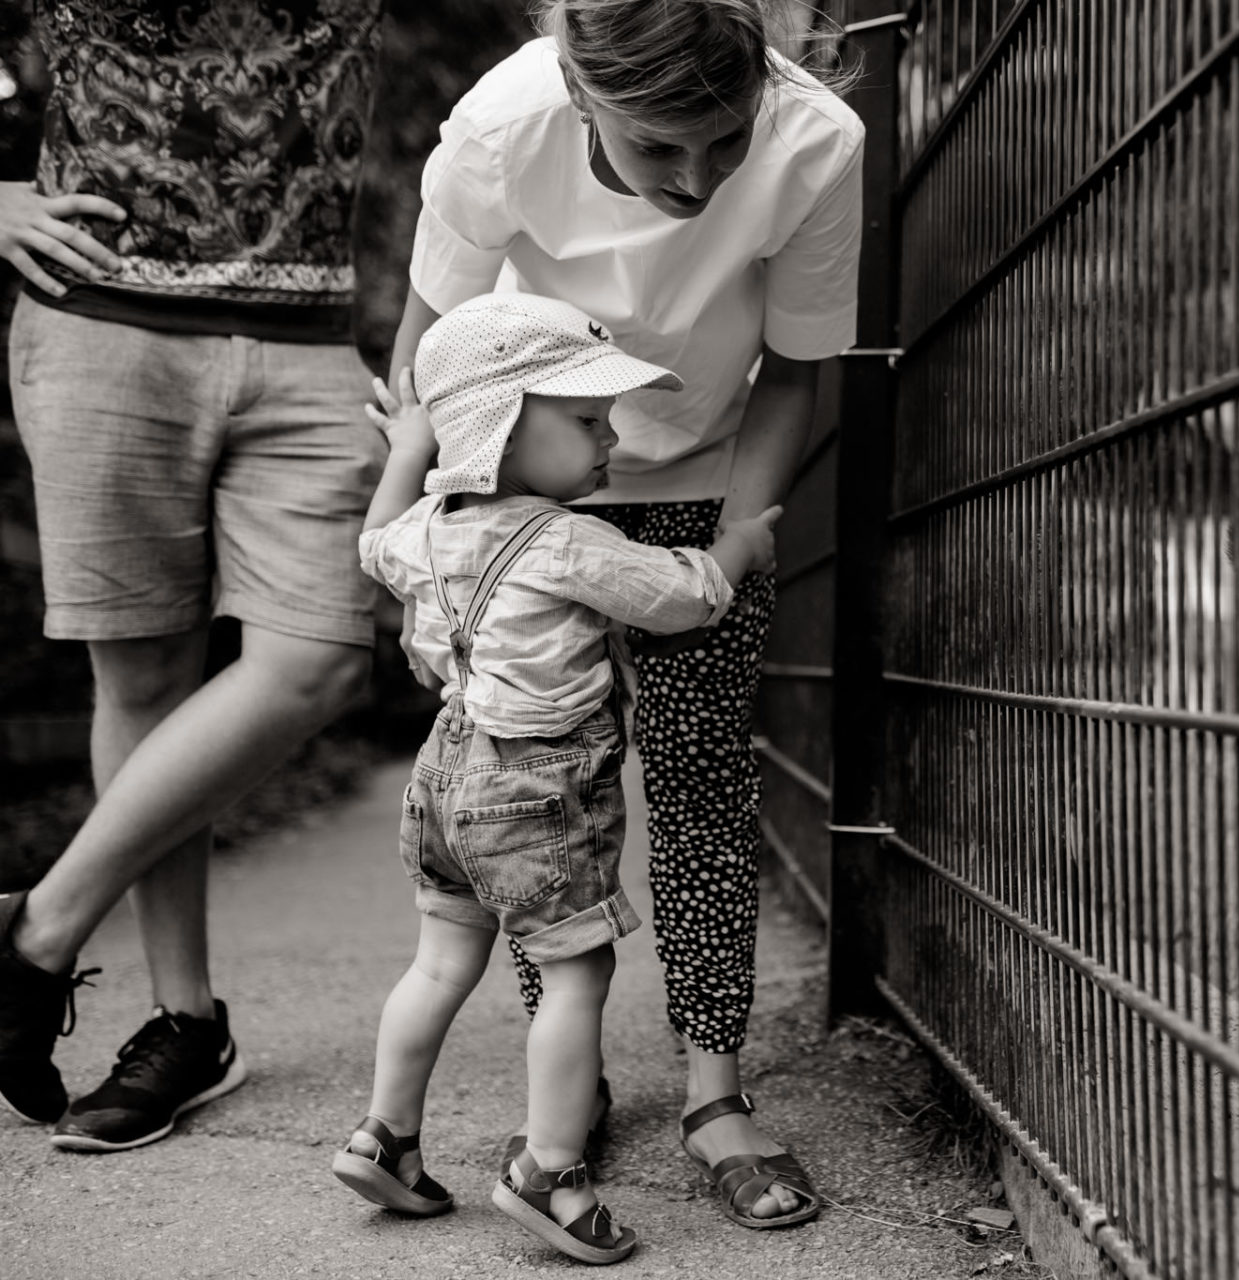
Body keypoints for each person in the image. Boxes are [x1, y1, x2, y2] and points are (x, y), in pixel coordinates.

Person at [387, 0, 862, 1227]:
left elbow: (798, 366)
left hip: (706, 483)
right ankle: (569, 1092)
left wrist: (741, 538)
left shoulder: (817, 143)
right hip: (527, 492)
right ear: (582, 91)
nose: (698, 181)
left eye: (724, 139)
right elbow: (431, 344)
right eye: (660, 148)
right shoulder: (503, 125)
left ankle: (715, 1088)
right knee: (551, 789)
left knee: (702, 776)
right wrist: (427, 542)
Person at [0, 0, 386, 1151]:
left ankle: (34, 932)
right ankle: (185, 1021)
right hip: (99, 319)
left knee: (315, 658)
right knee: (144, 679)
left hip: (311, 339)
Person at [338, 292, 781, 1264]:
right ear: (497, 427)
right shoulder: (567, 540)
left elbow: (370, 540)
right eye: (585, 419)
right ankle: (551, 1172)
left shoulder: (422, 531)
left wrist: (411, 445)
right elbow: (684, 599)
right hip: (535, 794)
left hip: (444, 779)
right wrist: (741, 543)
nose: (611, 435)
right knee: (579, 973)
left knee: (439, 962)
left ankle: (386, 1136)